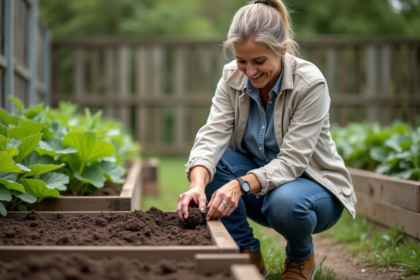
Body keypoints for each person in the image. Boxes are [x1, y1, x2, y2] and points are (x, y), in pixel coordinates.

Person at [176, 0, 357, 279]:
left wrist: (239, 184)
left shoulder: (310, 84)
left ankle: (300, 257)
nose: (249, 72)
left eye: (259, 61)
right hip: (261, 194)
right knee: (214, 161)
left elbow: (293, 162)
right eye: (241, 61)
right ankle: (246, 253)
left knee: (284, 202)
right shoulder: (231, 77)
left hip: (312, 192)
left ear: (282, 49)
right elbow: (212, 135)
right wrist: (197, 184)